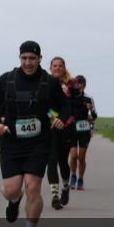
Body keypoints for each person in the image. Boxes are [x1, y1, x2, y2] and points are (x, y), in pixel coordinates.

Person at [0, 41, 68, 227]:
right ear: (19, 58)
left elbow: (64, 106)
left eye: (32, 58)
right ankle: (14, 201)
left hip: (39, 143)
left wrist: (60, 118)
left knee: (33, 187)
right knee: (10, 190)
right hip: (12, 142)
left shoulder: (49, 82)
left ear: (40, 59)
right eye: (24, 58)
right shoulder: (7, 79)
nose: (28, 62)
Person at [47, 57, 74, 210]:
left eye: (60, 66)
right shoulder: (46, 83)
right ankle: (54, 195)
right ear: (50, 68)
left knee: (63, 161)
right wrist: (52, 116)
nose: (57, 68)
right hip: (49, 127)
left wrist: (63, 119)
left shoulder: (72, 84)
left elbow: (74, 105)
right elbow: (43, 104)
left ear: (64, 68)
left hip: (66, 127)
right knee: (51, 160)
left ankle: (65, 186)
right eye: (54, 65)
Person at [68, 75, 98, 191]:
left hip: (84, 129)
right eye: (77, 83)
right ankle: (73, 176)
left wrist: (90, 110)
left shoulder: (89, 98)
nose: (79, 85)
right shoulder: (69, 97)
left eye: (81, 83)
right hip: (71, 129)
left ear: (84, 85)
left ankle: (80, 179)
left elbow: (94, 116)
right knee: (73, 155)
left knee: (81, 157)